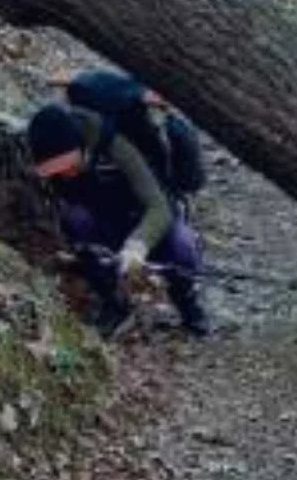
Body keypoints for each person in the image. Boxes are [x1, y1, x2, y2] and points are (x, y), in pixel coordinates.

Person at [27, 81, 213, 338]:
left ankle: (187, 302)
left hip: (149, 215)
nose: (66, 175)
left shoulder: (117, 145)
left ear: (83, 147)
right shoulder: (49, 145)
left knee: (182, 247)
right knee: (75, 221)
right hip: (103, 218)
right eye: (57, 172)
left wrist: (137, 245)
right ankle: (113, 302)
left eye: (69, 167)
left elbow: (159, 208)